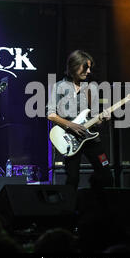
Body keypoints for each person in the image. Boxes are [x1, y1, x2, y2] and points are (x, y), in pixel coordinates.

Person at [47, 50, 113, 190]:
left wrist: (103, 118)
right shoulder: (59, 87)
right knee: (73, 179)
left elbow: (96, 118)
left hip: (92, 138)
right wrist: (70, 125)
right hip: (71, 139)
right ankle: (70, 209)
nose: (88, 71)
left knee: (106, 173)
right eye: (85, 67)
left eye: (90, 68)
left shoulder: (91, 88)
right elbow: (51, 114)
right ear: (74, 66)